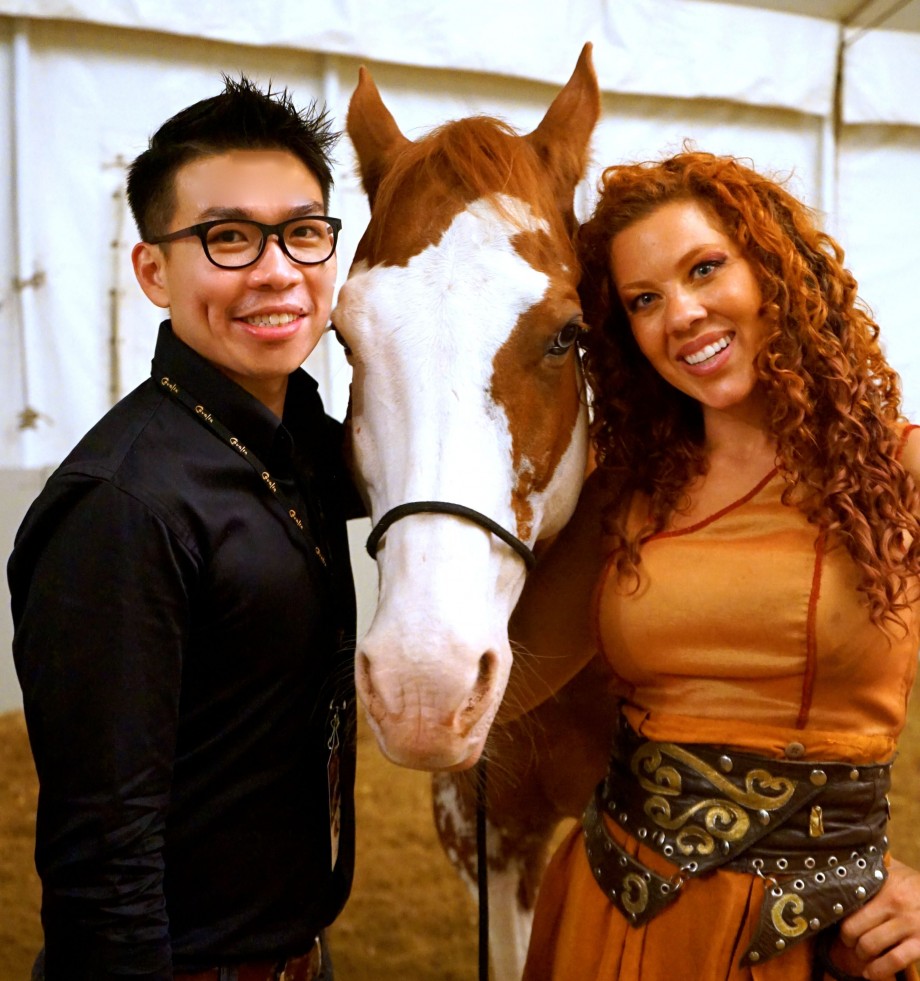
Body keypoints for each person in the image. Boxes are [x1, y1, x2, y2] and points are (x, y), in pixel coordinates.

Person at [506, 151, 920, 980]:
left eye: (705, 268)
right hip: (610, 916)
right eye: (644, 301)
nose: (683, 314)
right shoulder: (621, 495)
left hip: (820, 938)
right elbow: (507, 675)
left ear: (773, 266)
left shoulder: (899, 471)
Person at [8, 76, 362, 981]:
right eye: (229, 238)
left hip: (295, 953)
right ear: (154, 271)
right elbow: (102, 853)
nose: (279, 270)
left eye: (304, 232)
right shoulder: (123, 507)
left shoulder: (301, 444)